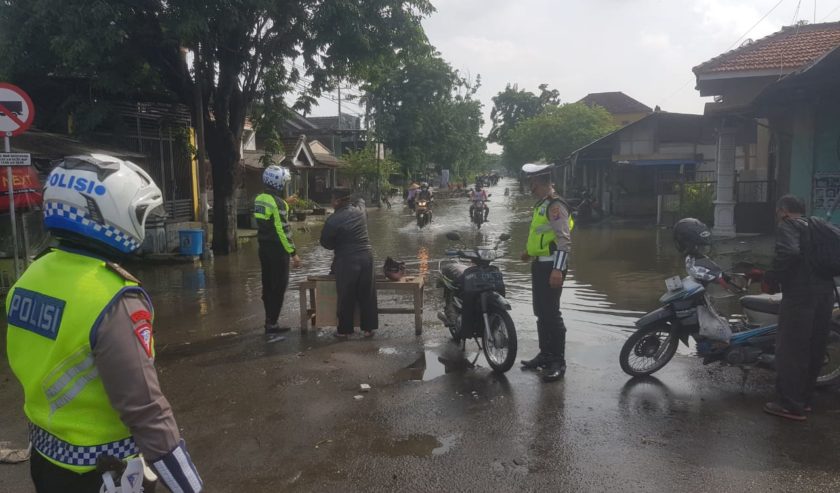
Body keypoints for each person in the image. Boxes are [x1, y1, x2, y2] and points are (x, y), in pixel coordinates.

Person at [5, 154, 202, 493]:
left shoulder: (32, 274)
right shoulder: (114, 298)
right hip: (103, 473)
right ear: (109, 214)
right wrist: (189, 486)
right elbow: (145, 408)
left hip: (46, 459)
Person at [763, 195, 836, 421]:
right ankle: (803, 401)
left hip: (801, 295)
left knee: (792, 350)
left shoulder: (788, 226)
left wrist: (772, 277)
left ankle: (789, 405)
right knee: (814, 347)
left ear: (783, 211)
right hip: (826, 294)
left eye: (777, 213)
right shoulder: (818, 226)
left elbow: (789, 253)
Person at [519, 163, 574, 382]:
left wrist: (558, 270)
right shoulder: (541, 205)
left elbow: (563, 240)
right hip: (540, 264)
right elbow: (542, 236)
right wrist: (529, 252)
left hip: (552, 267)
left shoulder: (555, 206)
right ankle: (545, 355)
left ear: (540, 182)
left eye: (532, 182)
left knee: (552, 313)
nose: (530, 187)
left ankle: (558, 361)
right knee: (541, 312)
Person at [320, 188, 378, 339]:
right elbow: (362, 202)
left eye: (332, 199)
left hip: (347, 260)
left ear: (338, 201)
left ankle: (344, 331)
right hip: (367, 257)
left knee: (346, 295)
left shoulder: (333, 220)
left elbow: (325, 243)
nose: (331, 202)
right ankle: (368, 329)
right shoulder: (360, 211)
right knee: (368, 293)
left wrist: (338, 245)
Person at [254, 165, 302, 334]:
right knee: (279, 286)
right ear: (279, 183)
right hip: (278, 250)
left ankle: (269, 319)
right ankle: (272, 324)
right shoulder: (278, 203)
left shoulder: (259, 198)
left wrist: (285, 203)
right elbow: (283, 229)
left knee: (267, 284)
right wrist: (293, 253)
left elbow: (271, 213)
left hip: (263, 248)